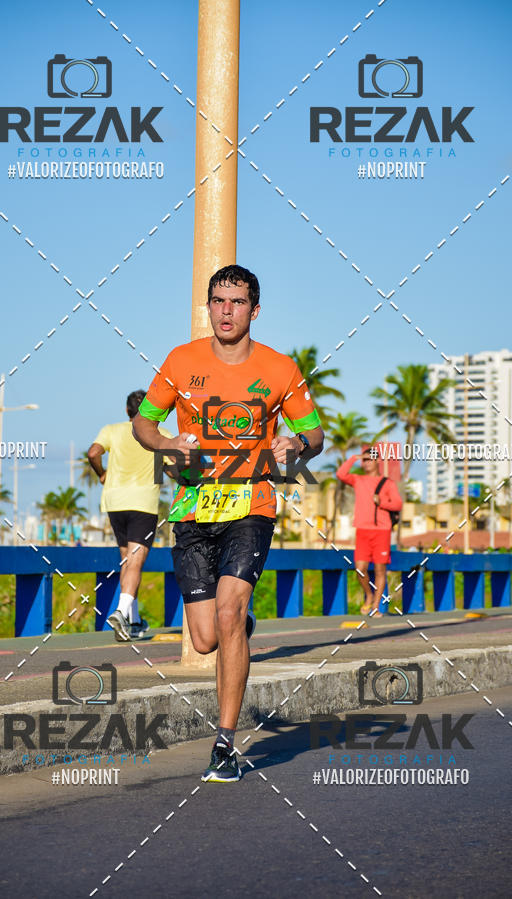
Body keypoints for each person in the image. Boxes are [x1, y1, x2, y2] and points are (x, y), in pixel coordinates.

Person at [133, 264, 324, 782]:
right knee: (203, 639)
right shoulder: (181, 360)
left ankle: (224, 743)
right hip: (194, 509)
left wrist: (296, 444)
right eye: (218, 301)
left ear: (254, 310)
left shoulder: (280, 370)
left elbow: (315, 436)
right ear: (209, 305)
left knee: (230, 611)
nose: (225, 311)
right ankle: (234, 627)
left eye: (237, 302)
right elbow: (144, 422)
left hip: (251, 505)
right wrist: (167, 442)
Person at [87, 391, 173, 641]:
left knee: (126, 560)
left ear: (127, 411)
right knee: (136, 561)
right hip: (142, 504)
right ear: (151, 410)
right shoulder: (160, 434)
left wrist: (102, 474)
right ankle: (121, 612)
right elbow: (173, 469)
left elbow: (93, 453)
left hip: (114, 502)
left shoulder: (112, 430)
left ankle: (133, 621)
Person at [337, 448, 402, 617]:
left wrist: (382, 502)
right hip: (362, 530)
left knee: (380, 570)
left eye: (369, 459)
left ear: (377, 461)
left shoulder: (387, 483)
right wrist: (353, 457)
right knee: (360, 569)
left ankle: (375, 607)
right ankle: (369, 595)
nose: (366, 463)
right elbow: (341, 474)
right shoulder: (358, 479)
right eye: (364, 460)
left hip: (382, 530)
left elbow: (397, 504)